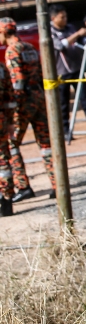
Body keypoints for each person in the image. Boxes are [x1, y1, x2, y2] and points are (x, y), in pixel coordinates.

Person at [0, 18, 56, 202]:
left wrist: (14, 106)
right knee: (46, 143)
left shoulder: (12, 50)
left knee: (11, 144)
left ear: (4, 33)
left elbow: (18, 81)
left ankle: (23, 186)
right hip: (38, 97)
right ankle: (57, 184)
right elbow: (40, 73)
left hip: (23, 102)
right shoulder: (29, 48)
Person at [49, 4, 86, 138]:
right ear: (53, 18)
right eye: (61, 17)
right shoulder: (50, 32)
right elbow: (59, 46)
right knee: (63, 104)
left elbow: (83, 42)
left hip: (77, 70)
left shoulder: (70, 28)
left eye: (65, 16)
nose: (65, 19)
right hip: (61, 73)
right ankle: (65, 131)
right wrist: (77, 34)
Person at [0, 51, 14, 216]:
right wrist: (10, 121)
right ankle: (7, 201)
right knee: (3, 159)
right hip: (2, 117)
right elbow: (10, 96)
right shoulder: (2, 67)